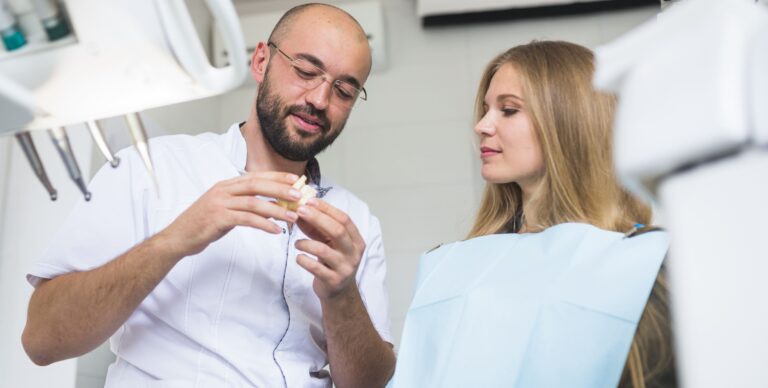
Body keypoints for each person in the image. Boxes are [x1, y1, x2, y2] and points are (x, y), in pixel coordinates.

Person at [21, 3, 395, 388]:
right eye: (305, 71)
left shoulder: (356, 222)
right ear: (261, 61)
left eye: (344, 90)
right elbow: (42, 340)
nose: (319, 99)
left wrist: (341, 294)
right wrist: (174, 240)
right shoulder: (150, 169)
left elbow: (367, 384)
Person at [387, 41, 676, 387]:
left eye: (508, 110)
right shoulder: (451, 268)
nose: (482, 125)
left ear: (569, 120)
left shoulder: (643, 266)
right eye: (485, 109)